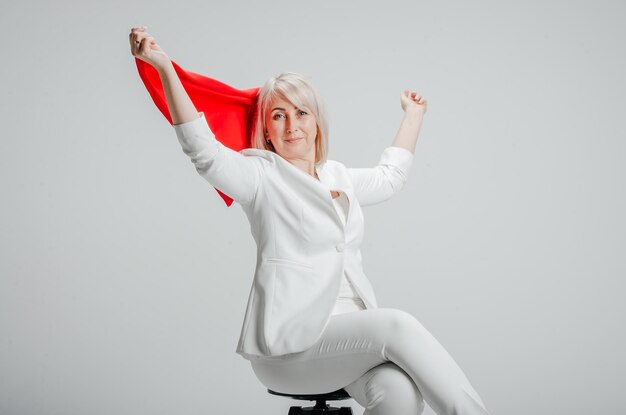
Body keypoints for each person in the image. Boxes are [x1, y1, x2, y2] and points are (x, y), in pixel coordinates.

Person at [129, 26, 492, 415]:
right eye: (279, 116)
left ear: (317, 122)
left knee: (401, 393)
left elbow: (391, 177)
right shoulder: (260, 177)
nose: (292, 126)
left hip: (352, 339)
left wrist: (414, 115)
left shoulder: (337, 175)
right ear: (266, 130)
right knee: (398, 327)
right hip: (291, 346)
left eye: (301, 113)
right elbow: (205, 153)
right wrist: (164, 67)